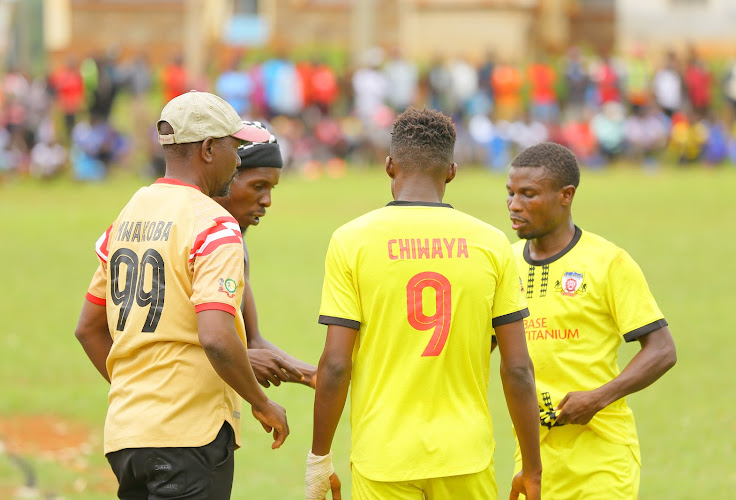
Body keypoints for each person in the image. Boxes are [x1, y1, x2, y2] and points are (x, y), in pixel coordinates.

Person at [306, 107, 542, 500]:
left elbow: (335, 364)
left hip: (383, 456)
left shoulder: (351, 240)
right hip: (465, 455)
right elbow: (517, 368)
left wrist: (318, 458)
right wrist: (532, 470)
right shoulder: (492, 243)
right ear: (451, 170)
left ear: (388, 166)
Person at [73, 91, 289, 499]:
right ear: (209, 149)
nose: (239, 159)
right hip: (190, 437)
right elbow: (217, 336)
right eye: (235, 147)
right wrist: (262, 404)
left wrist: (139, 396)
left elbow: (88, 328)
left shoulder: (129, 213)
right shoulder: (214, 224)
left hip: (127, 435)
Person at [504, 142, 677, 499]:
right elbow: (480, 346)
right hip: (535, 455)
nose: (514, 204)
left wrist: (598, 398)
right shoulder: (504, 265)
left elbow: (662, 350)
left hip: (603, 454)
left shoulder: (608, 262)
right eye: (510, 193)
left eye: (528, 194)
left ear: (565, 195)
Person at [213, 120, 317, 388]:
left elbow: (252, 340)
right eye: (258, 186)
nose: (267, 200)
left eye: (272, 189)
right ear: (227, 176)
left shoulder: (236, 243)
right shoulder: (199, 236)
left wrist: (315, 377)